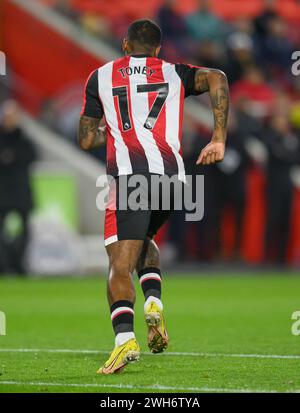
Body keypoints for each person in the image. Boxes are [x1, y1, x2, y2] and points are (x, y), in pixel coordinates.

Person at [78, 19, 229, 374]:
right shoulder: (174, 72)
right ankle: (154, 302)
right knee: (146, 238)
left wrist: (112, 132)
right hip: (173, 179)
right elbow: (218, 76)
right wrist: (219, 137)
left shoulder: (100, 76)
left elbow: (86, 139)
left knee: (119, 263)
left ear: (125, 44)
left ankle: (123, 341)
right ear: (158, 49)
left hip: (129, 179)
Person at [0, 100, 36, 274]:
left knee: (25, 233)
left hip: (21, 194)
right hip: (3, 195)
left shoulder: (25, 140)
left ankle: (19, 264)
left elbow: (31, 158)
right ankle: (4, 264)